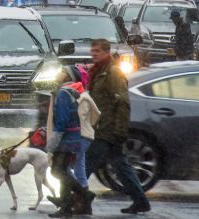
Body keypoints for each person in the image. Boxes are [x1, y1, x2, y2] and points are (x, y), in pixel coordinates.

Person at [82, 39, 151, 215]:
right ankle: (140, 200)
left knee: (87, 164)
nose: (94, 53)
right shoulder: (99, 72)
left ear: (107, 52)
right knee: (120, 166)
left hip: (107, 129)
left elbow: (122, 104)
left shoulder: (113, 73)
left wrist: (120, 131)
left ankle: (72, 198)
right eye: (92, 50)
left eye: (97, 51)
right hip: (101, 127)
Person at [44, 65, 93, 217]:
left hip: (66, 139)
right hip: (73, 138)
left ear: (68, 76)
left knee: (57, 170)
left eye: (62, 71)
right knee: (63, 171)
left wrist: (52, 142)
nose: (59, 73)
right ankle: (66, 208)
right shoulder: (73, 91)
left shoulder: (64, 93)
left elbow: (62, 121)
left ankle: (84, 194)